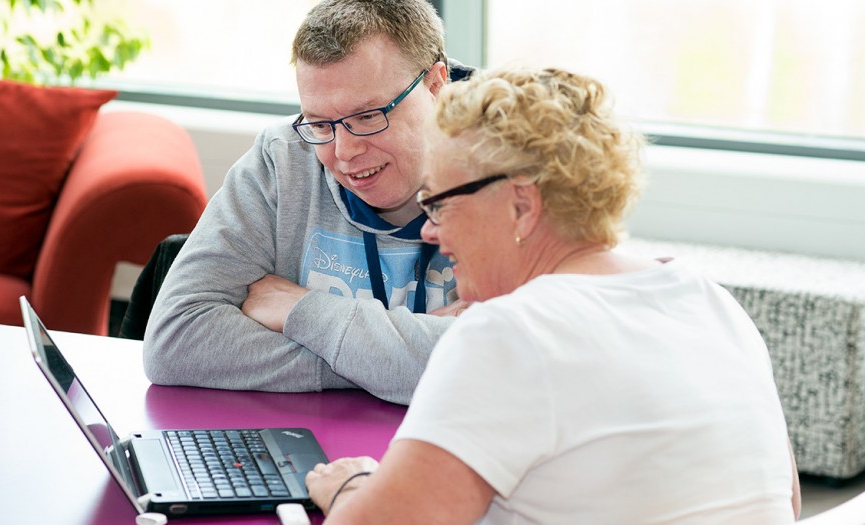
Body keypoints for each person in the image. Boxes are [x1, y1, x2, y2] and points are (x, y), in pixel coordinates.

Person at [304, 66, 802, 524]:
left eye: (440, 204)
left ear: (521, 206)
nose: (432, 231)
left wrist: (352, 486)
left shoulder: (511, 334)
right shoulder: (712, 303)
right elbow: (784, 504)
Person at [143, 0, 474, 404]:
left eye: (368, 116)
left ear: (435, 83)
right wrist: (397, 354)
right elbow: (176, 340)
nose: (345, 151)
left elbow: (504, 367)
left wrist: (303, 311)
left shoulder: (514, 170)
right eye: (319, 123)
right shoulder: (283, 158)